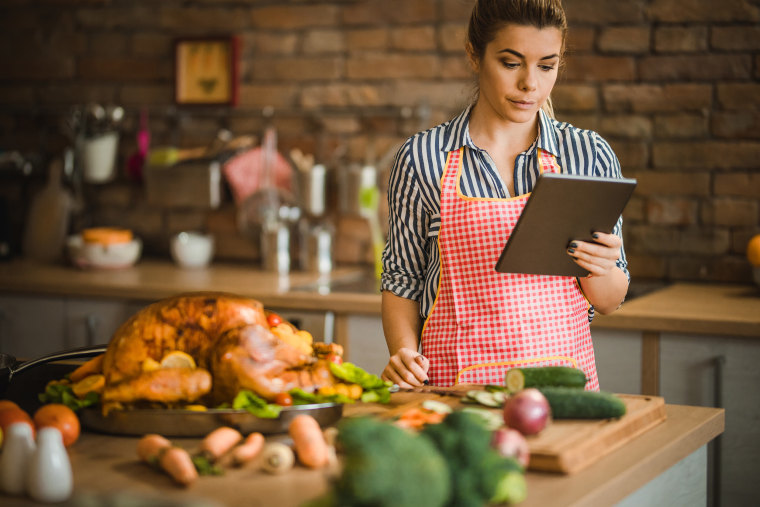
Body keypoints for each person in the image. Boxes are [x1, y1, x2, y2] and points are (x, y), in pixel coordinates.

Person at [380, 0, 630, 390]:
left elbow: (610, 300)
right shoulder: (423, 158)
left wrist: (601, 266)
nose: (530, 83)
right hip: (454, 392)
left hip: (563, 395)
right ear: (474, 55)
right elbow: (402, 279)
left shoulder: (587, 154)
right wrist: (403, 354)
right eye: (511, 63)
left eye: (547, 66)